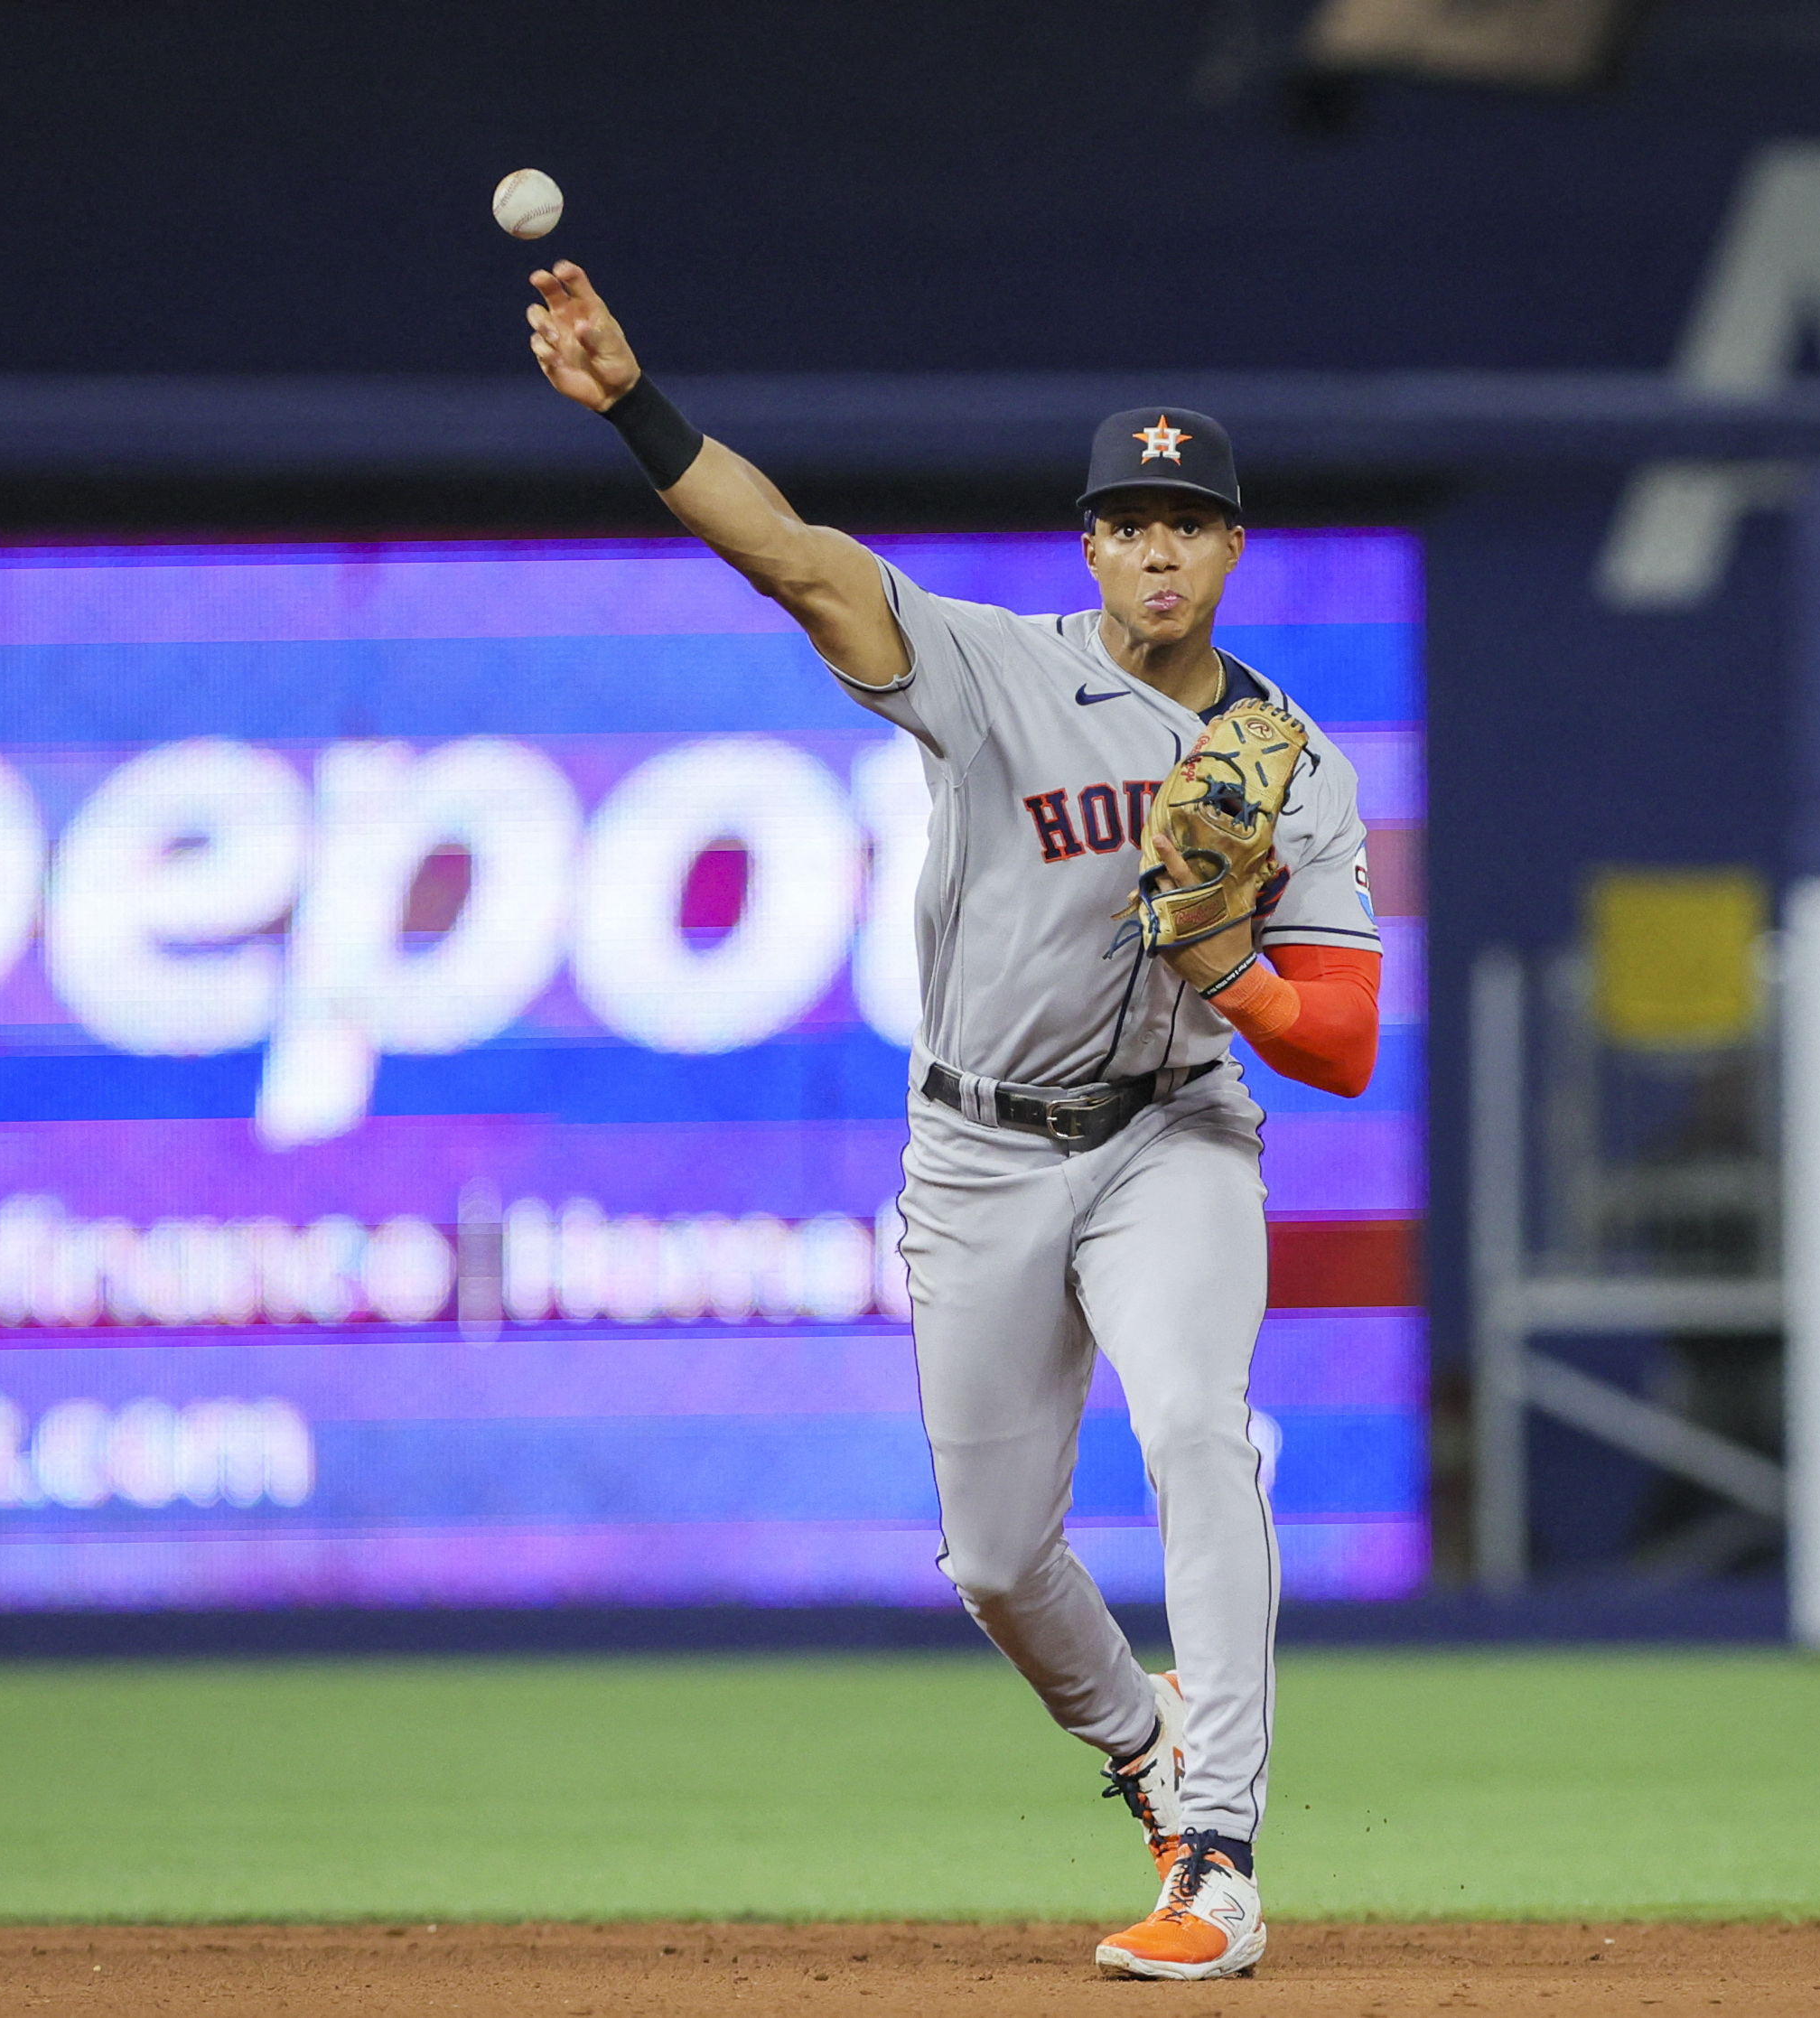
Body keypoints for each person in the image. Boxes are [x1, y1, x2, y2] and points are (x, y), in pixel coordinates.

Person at [525, 260, 1383, 1982]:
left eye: (1186, 524)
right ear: (1088, 548)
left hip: (1172, 1135)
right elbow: (789, 554)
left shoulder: (1290, 756)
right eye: (1127, 522)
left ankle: (1216, 1849)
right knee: (995, 1558)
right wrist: (636, 406)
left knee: (1201, 1429)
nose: (1156, 551)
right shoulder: (989, 670)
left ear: (1231, 551)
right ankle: (1144, 1750)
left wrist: (1232, 968)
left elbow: (1345, 1047)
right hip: (981, 1148)